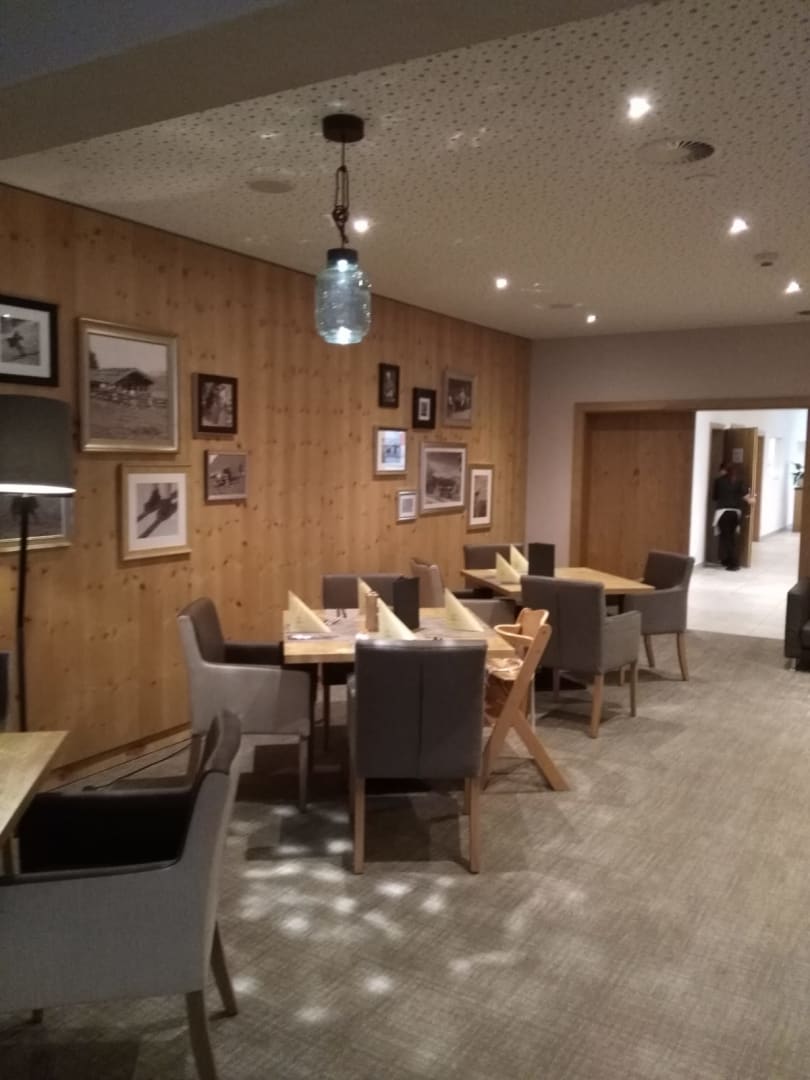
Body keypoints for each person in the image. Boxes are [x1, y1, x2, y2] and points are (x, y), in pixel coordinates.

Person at [712, 461, 754, 571]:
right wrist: (752, 499)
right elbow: (748, 498)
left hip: (722, 513)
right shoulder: (739, 481)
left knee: (726, 538)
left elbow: (715, 497)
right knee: (731, 538)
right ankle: (727, 560)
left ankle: (734, 563)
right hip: (735, 513)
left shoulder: (718, 481)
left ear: (723, 470)